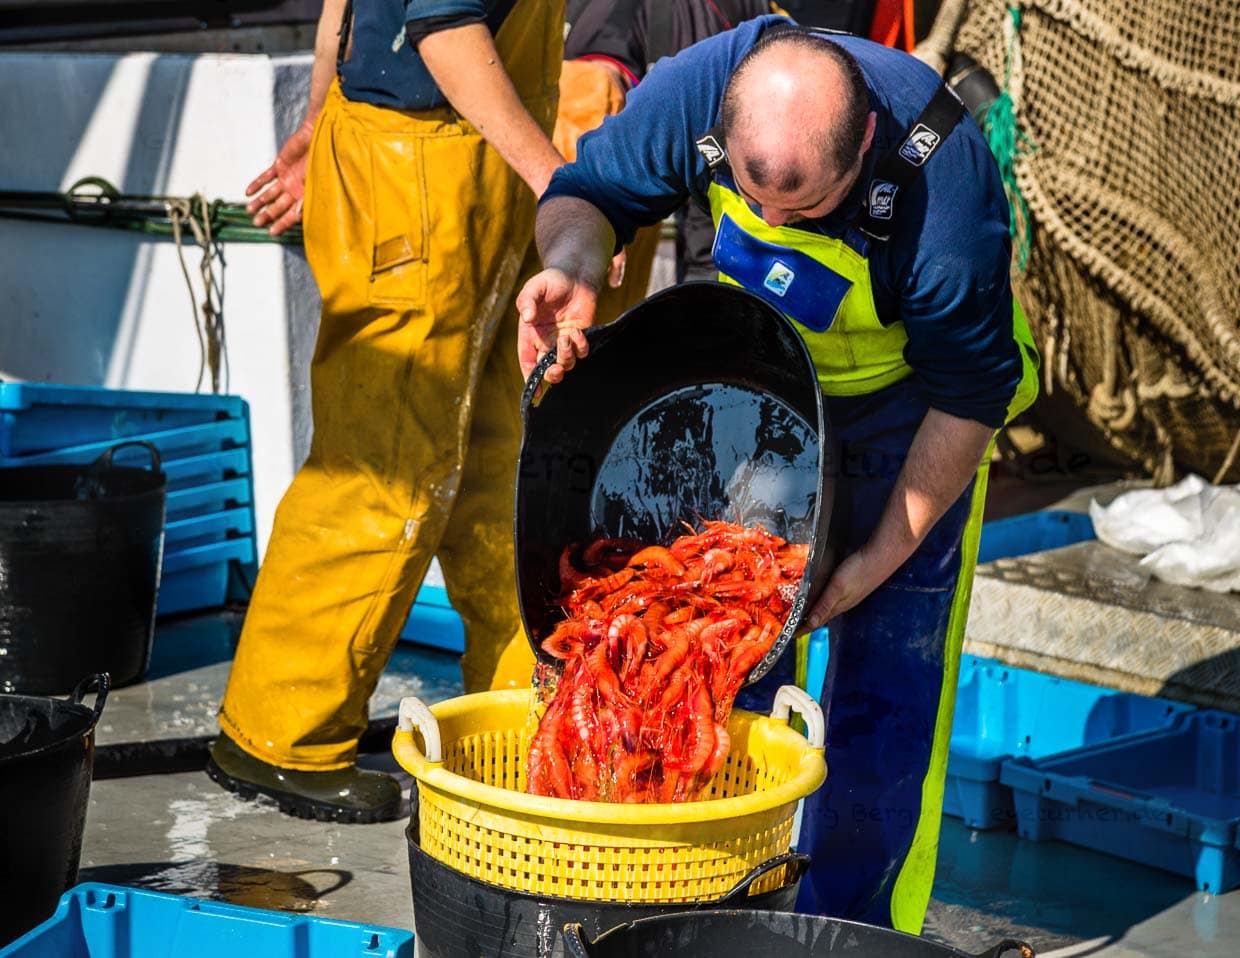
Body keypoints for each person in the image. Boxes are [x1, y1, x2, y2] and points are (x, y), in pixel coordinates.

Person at [515, 18, 1039, 933]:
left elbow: (970, 400)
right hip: (762, 387)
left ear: (864, 144)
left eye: (810, 209)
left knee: (889, 689)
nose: (783, 228)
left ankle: (855, 931)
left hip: (914, 410)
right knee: (727, 659)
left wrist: (873, 562)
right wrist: (574, 265)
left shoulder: (945, 196)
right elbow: (587, 193)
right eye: (763, 207)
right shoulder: (700, 88)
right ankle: (709, 912)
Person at [205, 0, 566, 824]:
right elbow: (444, 25)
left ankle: (521, 711)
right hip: (418, 179)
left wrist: (317, 119)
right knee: (383, 470)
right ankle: (277, 734)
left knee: (498, 456)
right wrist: (555, 178)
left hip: (462, 169)